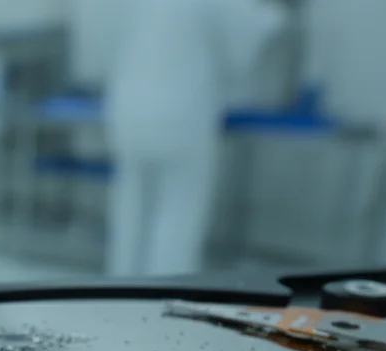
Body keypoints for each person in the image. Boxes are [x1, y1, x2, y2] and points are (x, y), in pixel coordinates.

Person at [106, 0, 286, 278]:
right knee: (178, 212)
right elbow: (249, 42)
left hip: (129, 112)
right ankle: (162, 293)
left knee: (131, 211)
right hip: (182, 115)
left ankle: (118, 287)